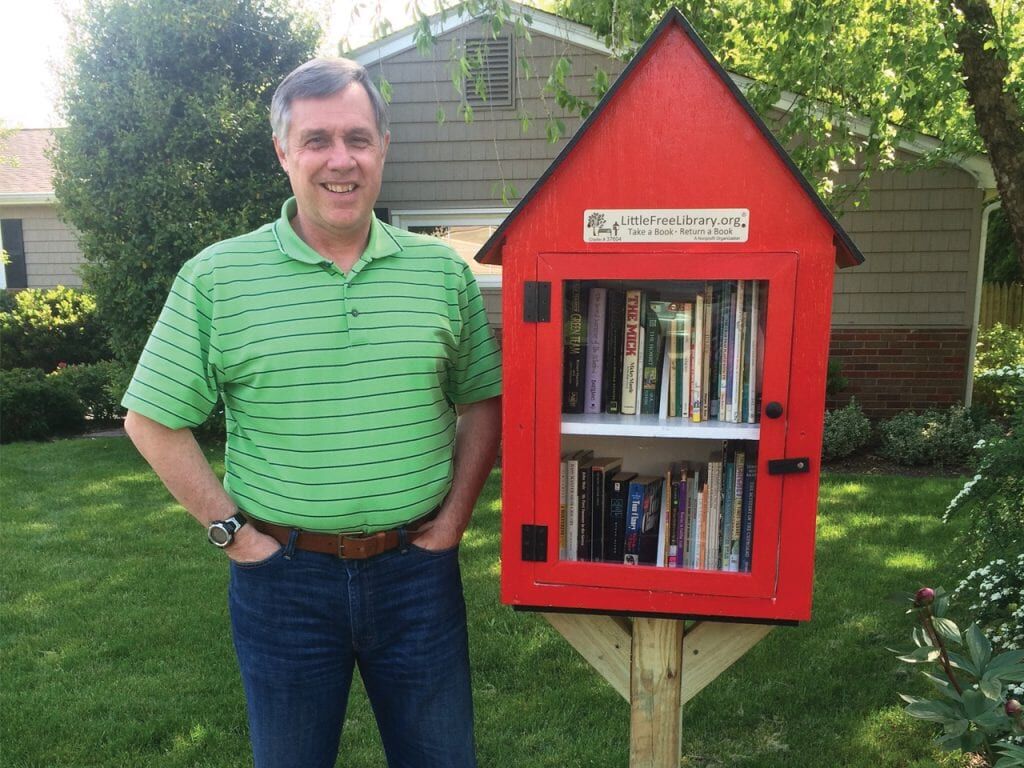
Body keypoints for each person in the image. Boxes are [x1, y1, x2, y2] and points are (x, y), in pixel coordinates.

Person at [121, 57, 502, 768]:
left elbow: (483, 400)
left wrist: (452, 524)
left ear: (383, 148)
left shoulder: (442, 272)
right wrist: (235, 536)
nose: (341, 160)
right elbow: (151, 419)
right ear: (283, 153)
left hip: (417, 578)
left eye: (358, 138)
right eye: (317, 140)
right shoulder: (217, 278)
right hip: (282, 582)